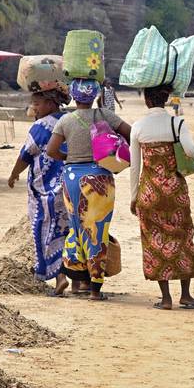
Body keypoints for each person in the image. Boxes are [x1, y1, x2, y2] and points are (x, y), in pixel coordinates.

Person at [46, 78, 131, 301]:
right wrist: (115, 150)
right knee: (97, 230)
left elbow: (51, 150)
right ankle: (95, 289)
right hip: (100, 177)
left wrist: (70, 157)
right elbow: (131, 134)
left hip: (73, 177)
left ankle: (77, 283)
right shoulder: (105, 116)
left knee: (76, 227)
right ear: (94, 96)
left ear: (74, 96)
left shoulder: (65, 120)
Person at [129, 85, 194, 310]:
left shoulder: (138, 127)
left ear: (146, 101)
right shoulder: (177, 123)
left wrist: (134, 197)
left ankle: (166, 298)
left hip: (149, 192)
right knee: (183, 238)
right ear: (166, 99)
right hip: (175, 193)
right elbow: (191, 150)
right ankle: (186, 295)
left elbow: (135, 166)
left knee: (153, 242)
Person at [8, 87, 71, 296]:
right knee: (68, 233)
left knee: (44, 232)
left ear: (51, 103)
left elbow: (26, 155)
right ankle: (80, 281)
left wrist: (13, 174)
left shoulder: (41, 126)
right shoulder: (69, 119)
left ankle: (58, 277)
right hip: (69, 188)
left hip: (44, 191)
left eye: (37, 103)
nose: (34, 108)